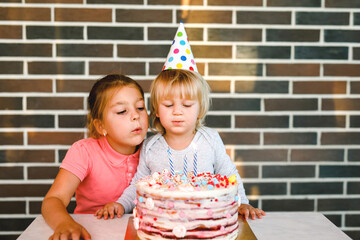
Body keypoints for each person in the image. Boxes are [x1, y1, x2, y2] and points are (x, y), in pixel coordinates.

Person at [103, 69, 265, 220]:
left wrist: (242, 202)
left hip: (207, 221)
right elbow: (138, 185)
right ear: (157, 110)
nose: (177, 111)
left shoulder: (211, 140)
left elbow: (230, 175)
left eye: (186, 105)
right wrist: (121, 204)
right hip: (163, 222)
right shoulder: (150, 147)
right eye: (168, 105)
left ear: (200, 109)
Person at [41, 74, 149, 240]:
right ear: (101, 125)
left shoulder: (154, 151)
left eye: (140, 107)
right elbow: (53, 199)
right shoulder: (84, 151)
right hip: (94, 233)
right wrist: (65, 223)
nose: (136, 115)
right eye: (122, 111)